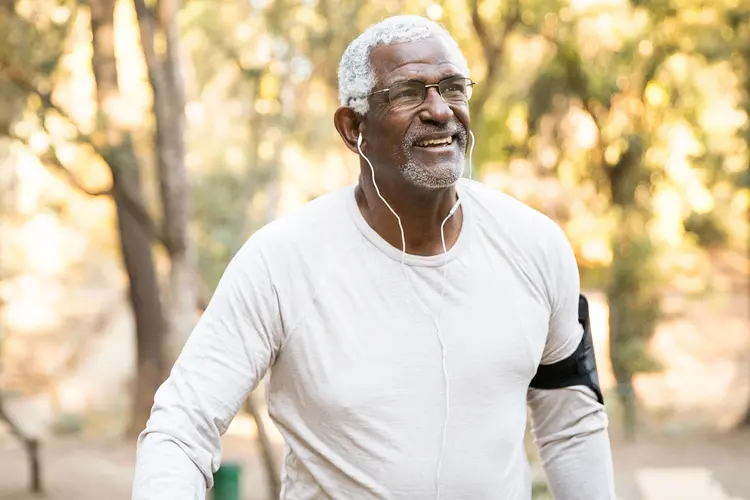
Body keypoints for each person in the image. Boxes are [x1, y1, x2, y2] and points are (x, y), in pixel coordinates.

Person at [132, 15, 616, 500]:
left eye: (452, 88)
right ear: (352, 128)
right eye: (408, 93)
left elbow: (571, 422)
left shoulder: (534, 245)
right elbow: (181, 427)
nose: (440, 110)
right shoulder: (282, 263)